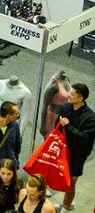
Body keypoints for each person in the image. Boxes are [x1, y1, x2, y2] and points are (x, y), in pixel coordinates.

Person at [58, 83, 95, 212]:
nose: (69, 95)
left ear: (81, 98)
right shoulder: (65, 108)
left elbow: (85, 139)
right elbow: (57, 128)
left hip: (78, 154)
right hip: (62, 149)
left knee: (70, 183)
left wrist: (68, 127)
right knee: (58, 176)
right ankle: (67, 202)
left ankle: (66, 207)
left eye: (72, 94)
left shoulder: (91, 117)